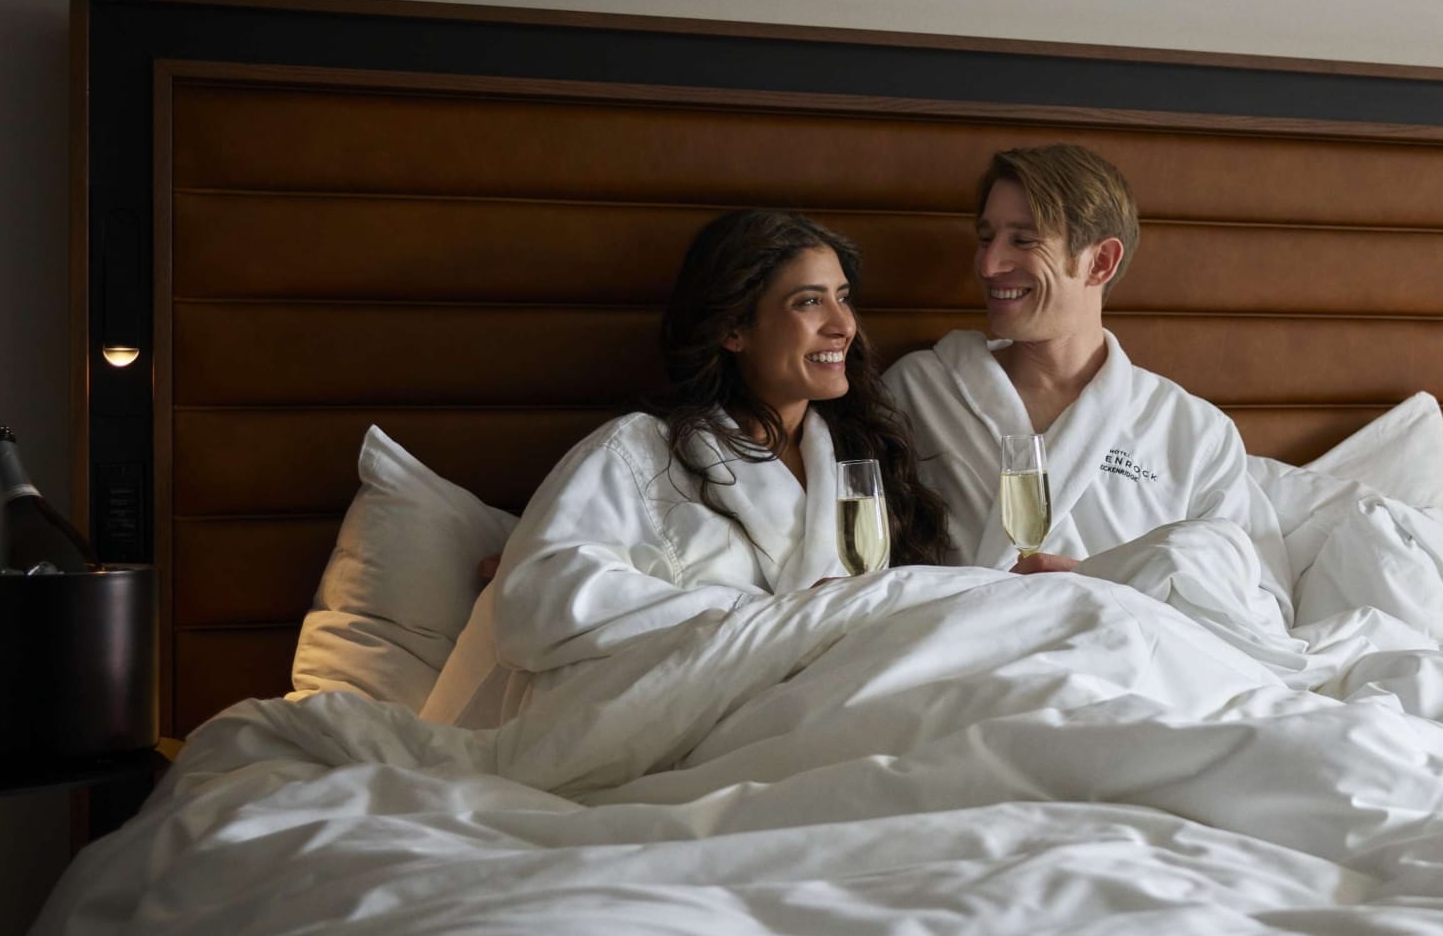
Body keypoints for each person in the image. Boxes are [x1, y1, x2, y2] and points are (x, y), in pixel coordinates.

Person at [488, 208, 951, 674]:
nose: (843, 325)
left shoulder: (861, 454)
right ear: (733, 329)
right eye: (808, 302)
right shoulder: (638, 451)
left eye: (842, 297)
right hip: (722, 706)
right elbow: (535, 601)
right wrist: (773, 618)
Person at [888, 144, 1286, 605]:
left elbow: (1258, 601)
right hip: (960, 654)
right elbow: (857, 566)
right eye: (985, 237)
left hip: (1129, 662)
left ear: (1100, 262)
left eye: (1023, 240)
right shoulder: (917, 393)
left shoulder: (1192, 432)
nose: (988, 264)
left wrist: (1115, 588)